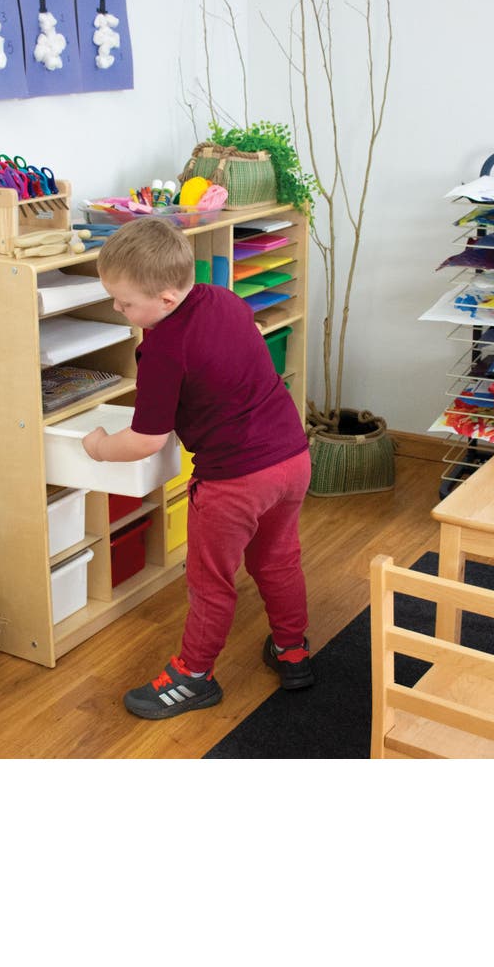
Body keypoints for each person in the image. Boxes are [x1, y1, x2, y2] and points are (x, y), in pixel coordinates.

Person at [81, 216, 313, 720]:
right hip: (292, 457)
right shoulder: (224, 299)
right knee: (277, 560)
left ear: (165, 299)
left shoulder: (162, 349)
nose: (118, 310)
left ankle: (193, 676)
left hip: (234, 481)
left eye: (124, 302)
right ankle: (293, 651)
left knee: (210, 581)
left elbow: (145, 439)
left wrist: (99, 447)